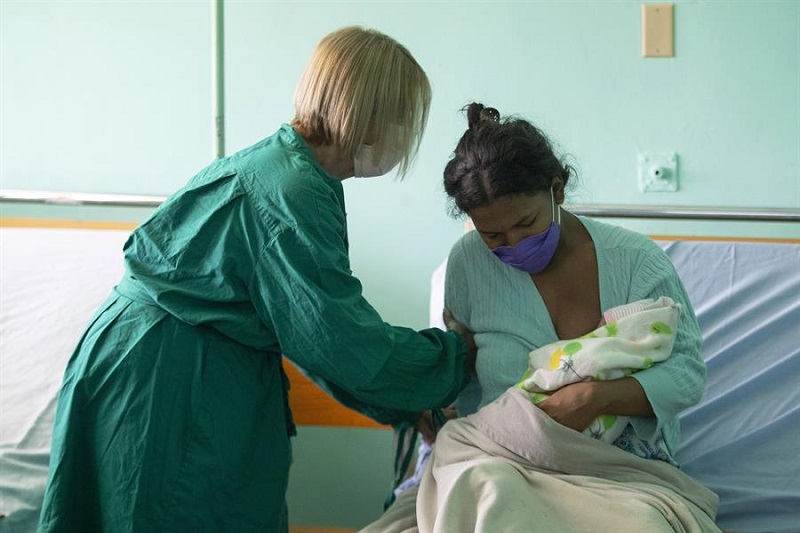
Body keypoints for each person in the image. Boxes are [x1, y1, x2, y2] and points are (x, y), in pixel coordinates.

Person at [36, 26, 475, 533]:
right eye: (400, 119)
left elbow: (312, 332)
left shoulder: (286, 170)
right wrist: (453, 358)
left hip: (154, 359)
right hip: (166, 381)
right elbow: (341, 341)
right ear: (366, 112)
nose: (402, 139)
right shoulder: (291, 192)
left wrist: (406, 402)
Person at [361, 103, 719, 532]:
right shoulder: (469, 264)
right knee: (486, 494)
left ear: (557, 189)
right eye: (492, 234)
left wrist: (596, 398)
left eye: (526, 224)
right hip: (499, 460)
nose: (512, 244)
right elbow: (466, 393)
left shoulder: (635, 262)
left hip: (614, 473)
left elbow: (686, 376)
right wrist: (456, 366)